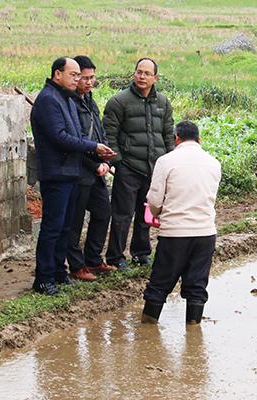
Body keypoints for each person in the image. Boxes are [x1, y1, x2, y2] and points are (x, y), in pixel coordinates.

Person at [31, 57, 116, 295]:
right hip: (56, 173)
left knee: (65, 227)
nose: (78, 80)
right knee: (52, 227)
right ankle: (44, 278)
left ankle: (59, 272)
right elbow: (59, 137)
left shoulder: (67, 98)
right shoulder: (48, 99)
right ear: (58, 74)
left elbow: (77, 133)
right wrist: (93, 148)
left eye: (80, 75)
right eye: (74, 75)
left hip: (71, 172)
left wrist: (97, 152)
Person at [141, 121, 221, 325]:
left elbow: (155, 201)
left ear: (176, 138)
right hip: (205, 233)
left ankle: (148, 326)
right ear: (199, 139)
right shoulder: (213, 162)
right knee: (196, 286)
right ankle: (193, 330)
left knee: (159, 284)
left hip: (175, 234)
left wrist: (157, 214)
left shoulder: (166, 161)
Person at [103, 58, 174, 270]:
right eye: (139, 72)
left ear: (155, 78)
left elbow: (168, 135)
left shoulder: (162, 103)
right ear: (134, 74)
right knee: (122, 216)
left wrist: (169, 161)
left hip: (154, 169)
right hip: (129, 168)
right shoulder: (119, 101)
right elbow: (109, 135)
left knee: (147, 214)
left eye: (146, 73)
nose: (142, 77)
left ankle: (141, 253)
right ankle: (116, 257)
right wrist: (118, 163)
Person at [66, 55, 117, 282]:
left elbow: (100, 134)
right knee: (74, 221)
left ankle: (93, 259)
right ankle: (77, 266)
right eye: (84, 78)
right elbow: (73, 143)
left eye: (92, 77)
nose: (89, 82)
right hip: (79, 170)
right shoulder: (69, 104)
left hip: (97, 169)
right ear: (75, 77)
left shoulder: (90, 101)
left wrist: (107, 162)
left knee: (103, 212)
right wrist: (95, 163)